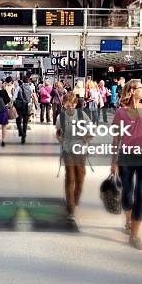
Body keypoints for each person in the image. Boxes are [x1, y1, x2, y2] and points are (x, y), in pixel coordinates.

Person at [110, 79, 142, 250]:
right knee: (127, 193)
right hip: (126, 157)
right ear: (131, 91)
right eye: (140, 88)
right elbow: (116, 138)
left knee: (141, 194)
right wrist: (113, 161)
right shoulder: (121, 112)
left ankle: (134, 235)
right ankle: (128, 220)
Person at [55, 91, 92, 221]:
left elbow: (91, 133)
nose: (70, 107)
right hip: (68, 150)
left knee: (80, 178)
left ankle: (75, 200)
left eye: (72, 104)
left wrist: (85, 138)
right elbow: (58, 132)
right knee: (70, 177)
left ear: (76, 104)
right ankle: (71, 208)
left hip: (81, 150)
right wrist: (61, 140)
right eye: (67, 104)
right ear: (64, 105)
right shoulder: (61, 117)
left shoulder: (82, 116)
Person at [14, 77, 33, 144]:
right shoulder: (30, 87)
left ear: (22, 81)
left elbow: (14, 97)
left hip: (20, 107)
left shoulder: (19, 87)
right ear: (28, 81)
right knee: (25, 122)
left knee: (18, 121)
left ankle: (22, 133)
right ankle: (23, 137)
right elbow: (31, 96)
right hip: (27, 106)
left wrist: (13, 103)